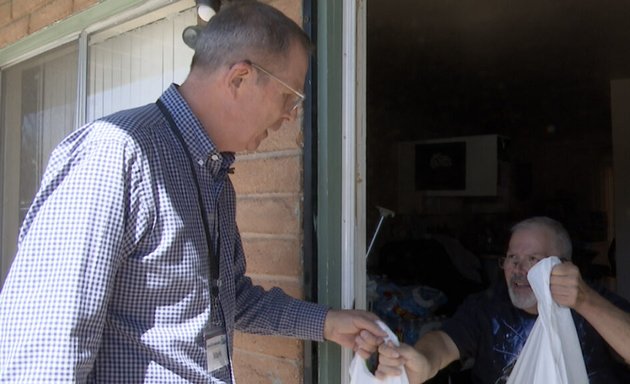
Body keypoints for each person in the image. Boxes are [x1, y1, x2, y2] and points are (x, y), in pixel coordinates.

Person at [0, 2, 384, 382]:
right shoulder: (115, 155)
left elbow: (229, 299)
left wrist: (327, 323)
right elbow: (46, 347)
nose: (291, 116)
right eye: (290, 98)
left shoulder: (214, 177)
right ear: (239, 79)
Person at [365, 216, 630, 383]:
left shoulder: (594, 299)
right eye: (512, 258)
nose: (518, 268)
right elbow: (444, 343)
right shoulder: (488, 306)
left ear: (562, 265)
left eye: (533, 260)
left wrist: (585, 301)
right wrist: (422, 361)